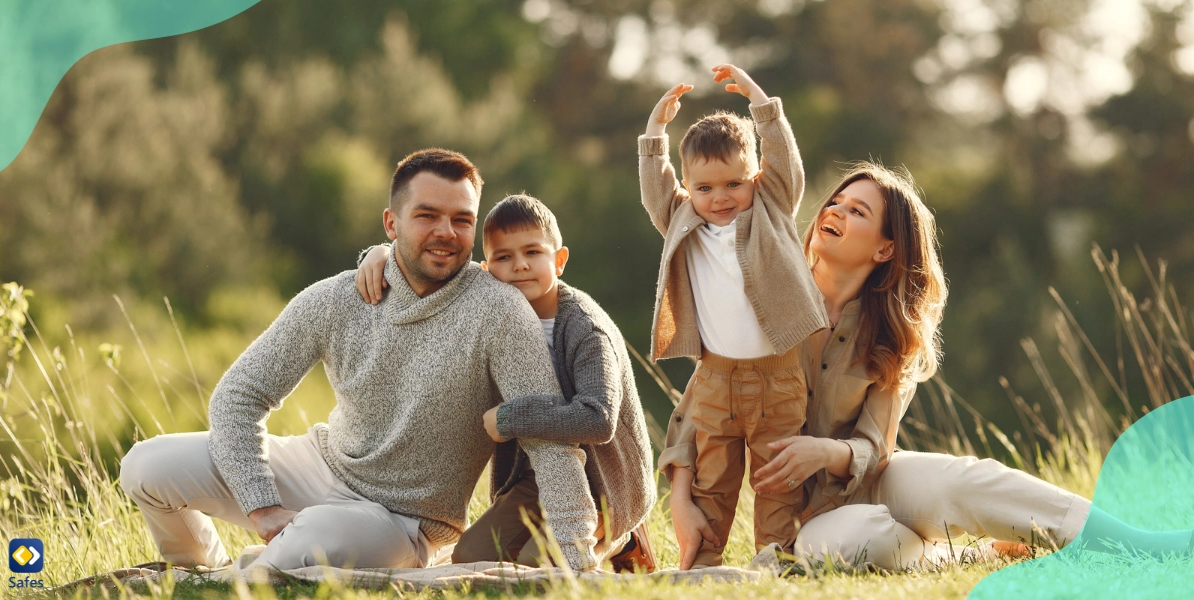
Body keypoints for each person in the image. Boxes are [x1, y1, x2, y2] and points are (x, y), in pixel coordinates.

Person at [667, 162, 1194, 571]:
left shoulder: (891, 334)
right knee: (847, 544)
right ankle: (968, 556)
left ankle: (1134, 544)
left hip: (870, 480)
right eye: (837, 202)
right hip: (804, 519)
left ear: (885, 249)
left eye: (858, 212)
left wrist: (826, 451)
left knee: (964, 480)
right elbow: (703, 402)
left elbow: (876, 449)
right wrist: (683, 498)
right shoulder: (760, 300)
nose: (835, 212)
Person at [118, 148, 602, 572]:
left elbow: (551, 443)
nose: (446, 232)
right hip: (319, 467)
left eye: (462, 219)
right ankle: (200, 575)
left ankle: (247, 578)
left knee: (308, 544)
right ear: (391, 223)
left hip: (399, 523)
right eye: (427, 215)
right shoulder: (336, 298)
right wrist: (262, 506)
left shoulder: (500, 310)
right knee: (145, 465)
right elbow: (237, 396)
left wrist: (579, 563)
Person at [355, 194, 658, 572]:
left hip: (602, 485)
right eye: (503, 257)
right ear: (486, 270)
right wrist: (382, 253)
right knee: (470, 558)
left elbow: (598, 418)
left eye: (533, 252)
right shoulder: (493, 316)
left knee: (540, 564)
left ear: (559, 261)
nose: (519, 266)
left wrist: (512, 418)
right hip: (534, 478)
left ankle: (622, 540)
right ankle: (562, 534)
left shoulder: (584, 328)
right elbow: (434, 272)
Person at [638, 64, 829, 568]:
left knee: (777, 477)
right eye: (704, 188)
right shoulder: (682, 220)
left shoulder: (771, 205)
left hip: (779, 376)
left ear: (756, 179)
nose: (720, 198)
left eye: (733, 183)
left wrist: (760, 103)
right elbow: (656, 189)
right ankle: (705, 564)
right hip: (717, 378)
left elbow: (786, 161)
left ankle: (775, 556)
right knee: (713, 479)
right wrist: (655, 132)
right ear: (688, 187)